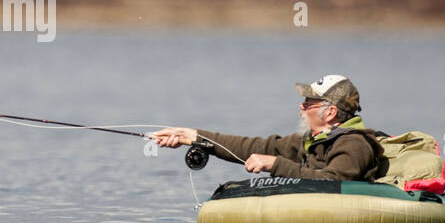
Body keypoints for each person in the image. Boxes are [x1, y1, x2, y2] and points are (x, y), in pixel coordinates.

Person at [149, 74, 385, 182]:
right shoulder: (310, 140)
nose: (301, 108)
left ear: (330, 112)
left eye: (308, 103)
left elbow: (334, 181)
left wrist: (275, 164)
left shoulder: (354, 144)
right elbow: (253, 147)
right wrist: (191, 136)